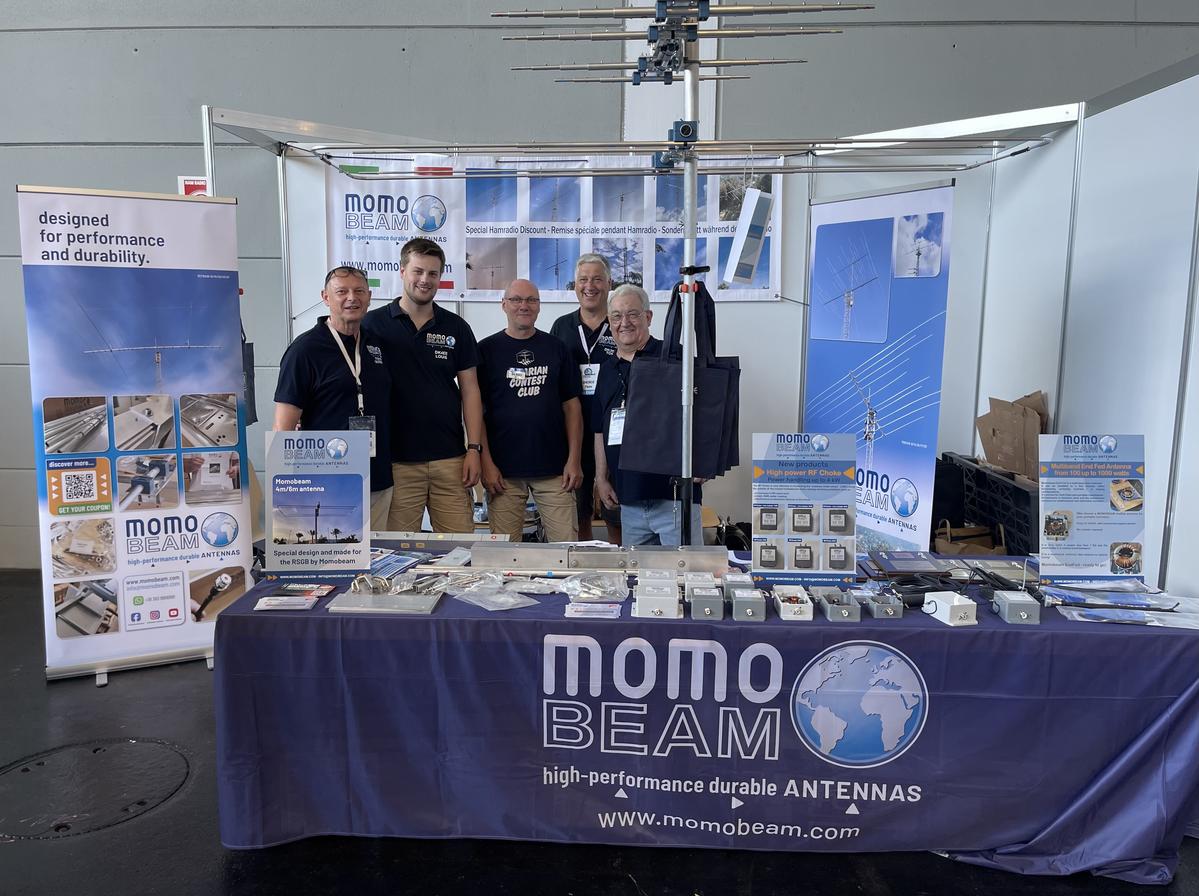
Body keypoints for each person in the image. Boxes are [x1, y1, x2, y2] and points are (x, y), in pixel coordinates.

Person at [362, 238, 483, 533]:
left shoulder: (456, 327)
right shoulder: (371, 326)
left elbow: (470, 390)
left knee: (462, 548)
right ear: (402, 271)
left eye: (432, 273)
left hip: (450, 460)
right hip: (396, 463)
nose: (425, 280)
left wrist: (474, 449)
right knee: (395, 551)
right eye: (418, 271)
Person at [273, 266, 393, 529]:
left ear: (369, 297)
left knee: (378, 552)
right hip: (326, 484)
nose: (352, 298)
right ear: (326, 297)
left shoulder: (377, 345)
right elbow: (283, 428)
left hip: (377, 479)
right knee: (334, 549)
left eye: (359, 291)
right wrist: (287, 490)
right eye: (342, 292)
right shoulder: (304, 350)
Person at [592, 283, 703, 546]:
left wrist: (703, 461)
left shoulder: (675, 357)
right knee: (638, 571)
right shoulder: (606, 370)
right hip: (629, 499)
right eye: (617, 316)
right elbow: (599, 429)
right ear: (609, 322)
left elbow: (703, 413)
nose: (624, 323)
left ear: (648, 317)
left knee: (685, 570)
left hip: (674, 497)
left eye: (633, 314)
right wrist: (601, 478)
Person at [477, 279, 583, 542]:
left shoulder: (557, 348)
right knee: (504, 553)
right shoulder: (485, 350)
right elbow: (476, 412)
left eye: (531, 300)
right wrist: (485, 463)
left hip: (555, 471)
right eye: (516, 299)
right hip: (503, 474)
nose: (523, 305)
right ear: (504, 304)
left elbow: (572, 407)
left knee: (566, 549)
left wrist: (574, 460)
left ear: (539, 306)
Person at [550, 253, 621, 543]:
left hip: (614, 432)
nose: (589, 286)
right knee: (578, 511)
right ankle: (585, 565)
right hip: (573, 434)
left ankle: (620, 563)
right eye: (583, 280)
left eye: (597, 279)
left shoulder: (621, 323)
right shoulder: (561, 327)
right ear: (575, 285)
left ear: (609, 283)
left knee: (614, 509)